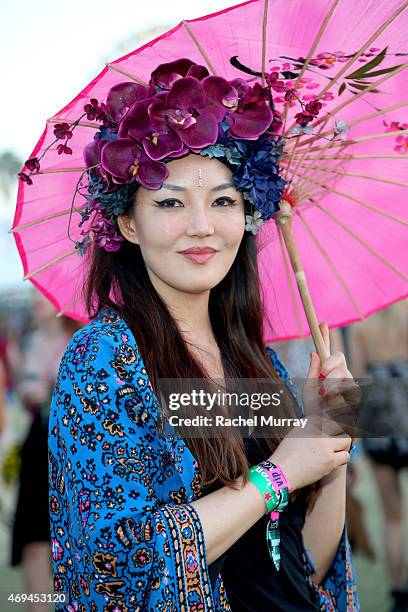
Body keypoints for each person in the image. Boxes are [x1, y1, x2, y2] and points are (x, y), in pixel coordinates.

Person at [47, 58, 360, 611]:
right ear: (126, 223)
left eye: (222, 200)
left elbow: (301, 567)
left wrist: (328, 446)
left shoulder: (252, 358)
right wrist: (283, 470)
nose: (201, 227)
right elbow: (120, 570)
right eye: (170, 202)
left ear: (246, 214)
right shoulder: (105, 358)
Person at [10, 291, 81, 612]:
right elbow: (23, 394)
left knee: (70, 546)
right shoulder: (30, 342)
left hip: (71, 454)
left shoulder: (82, 340)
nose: (37, 298)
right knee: (34, 543)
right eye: (33, 293)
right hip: (37, 447)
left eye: (43, 294)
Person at [349, 300, 408, 612]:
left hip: (381, 422)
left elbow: (358, 378)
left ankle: (399, 592)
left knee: (393, 516)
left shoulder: (361, 325)